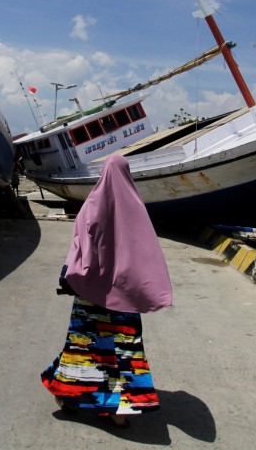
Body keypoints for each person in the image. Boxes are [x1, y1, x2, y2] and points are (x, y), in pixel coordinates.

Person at [40, 154, 173, 427]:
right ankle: (119, 407)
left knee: (86, 345)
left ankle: (70, 393)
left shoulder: (92, 205)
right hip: (125, 298)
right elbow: (146, 255)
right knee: (123, 349)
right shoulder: (136, 208)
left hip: (91, 295)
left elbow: (81, 249)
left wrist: (78, 278)